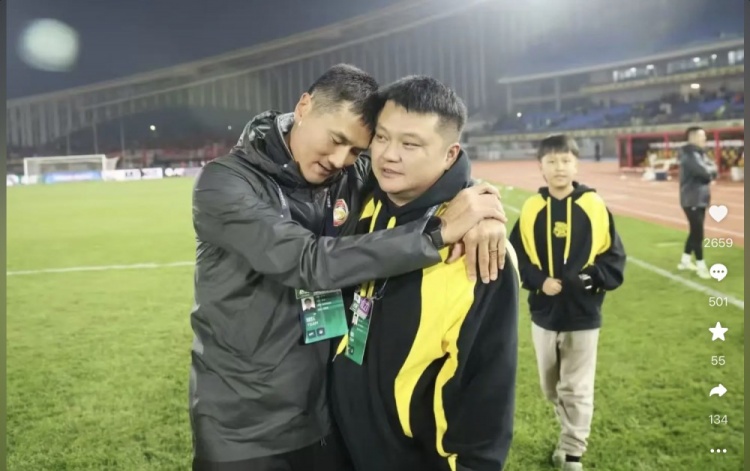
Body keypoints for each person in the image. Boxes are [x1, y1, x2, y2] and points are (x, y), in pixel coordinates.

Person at [189, 64, 508, 471]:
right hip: (242, 428)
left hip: (323, 421)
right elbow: (308, 262)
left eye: (357, 151)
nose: (341, 159)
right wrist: (436, 234)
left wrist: (480, 206)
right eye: (337, 140)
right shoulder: (225, 183)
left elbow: (423, 174)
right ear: (304, 107)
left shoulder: (348, 175)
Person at [330, 76, 519, 471]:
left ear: (450, 155)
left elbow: (486, 389)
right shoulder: (366, 201)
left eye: (410, 144)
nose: (388, 155)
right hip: (341, 445)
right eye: (382, 137)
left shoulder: (478, 250)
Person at [509, 134, 626, 471]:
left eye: (565, 160)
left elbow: (614, 257)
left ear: (576, 165)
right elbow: (515, 257)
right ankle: (569, 432)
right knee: (551, 387)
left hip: (583, 313)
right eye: (552, 161)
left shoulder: (594, 205)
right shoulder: (531, 208)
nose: (559, 167)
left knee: (576, 386)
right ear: (541, 167)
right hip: (544, 314)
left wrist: (588, 279)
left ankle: (573, 452)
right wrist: (539, 282)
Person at [677, 126, 718, 279]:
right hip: (692, 199)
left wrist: (711, 170)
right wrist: (711, 171)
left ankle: (685, 261)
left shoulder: (698, 154)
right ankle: (701, 266)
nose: (705, 139)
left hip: (697, 198)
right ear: (693, 137)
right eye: (702, 136)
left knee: (694, 231)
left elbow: (713, 168)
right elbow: (706, 173)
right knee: (698, 234)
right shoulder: (691, 155)